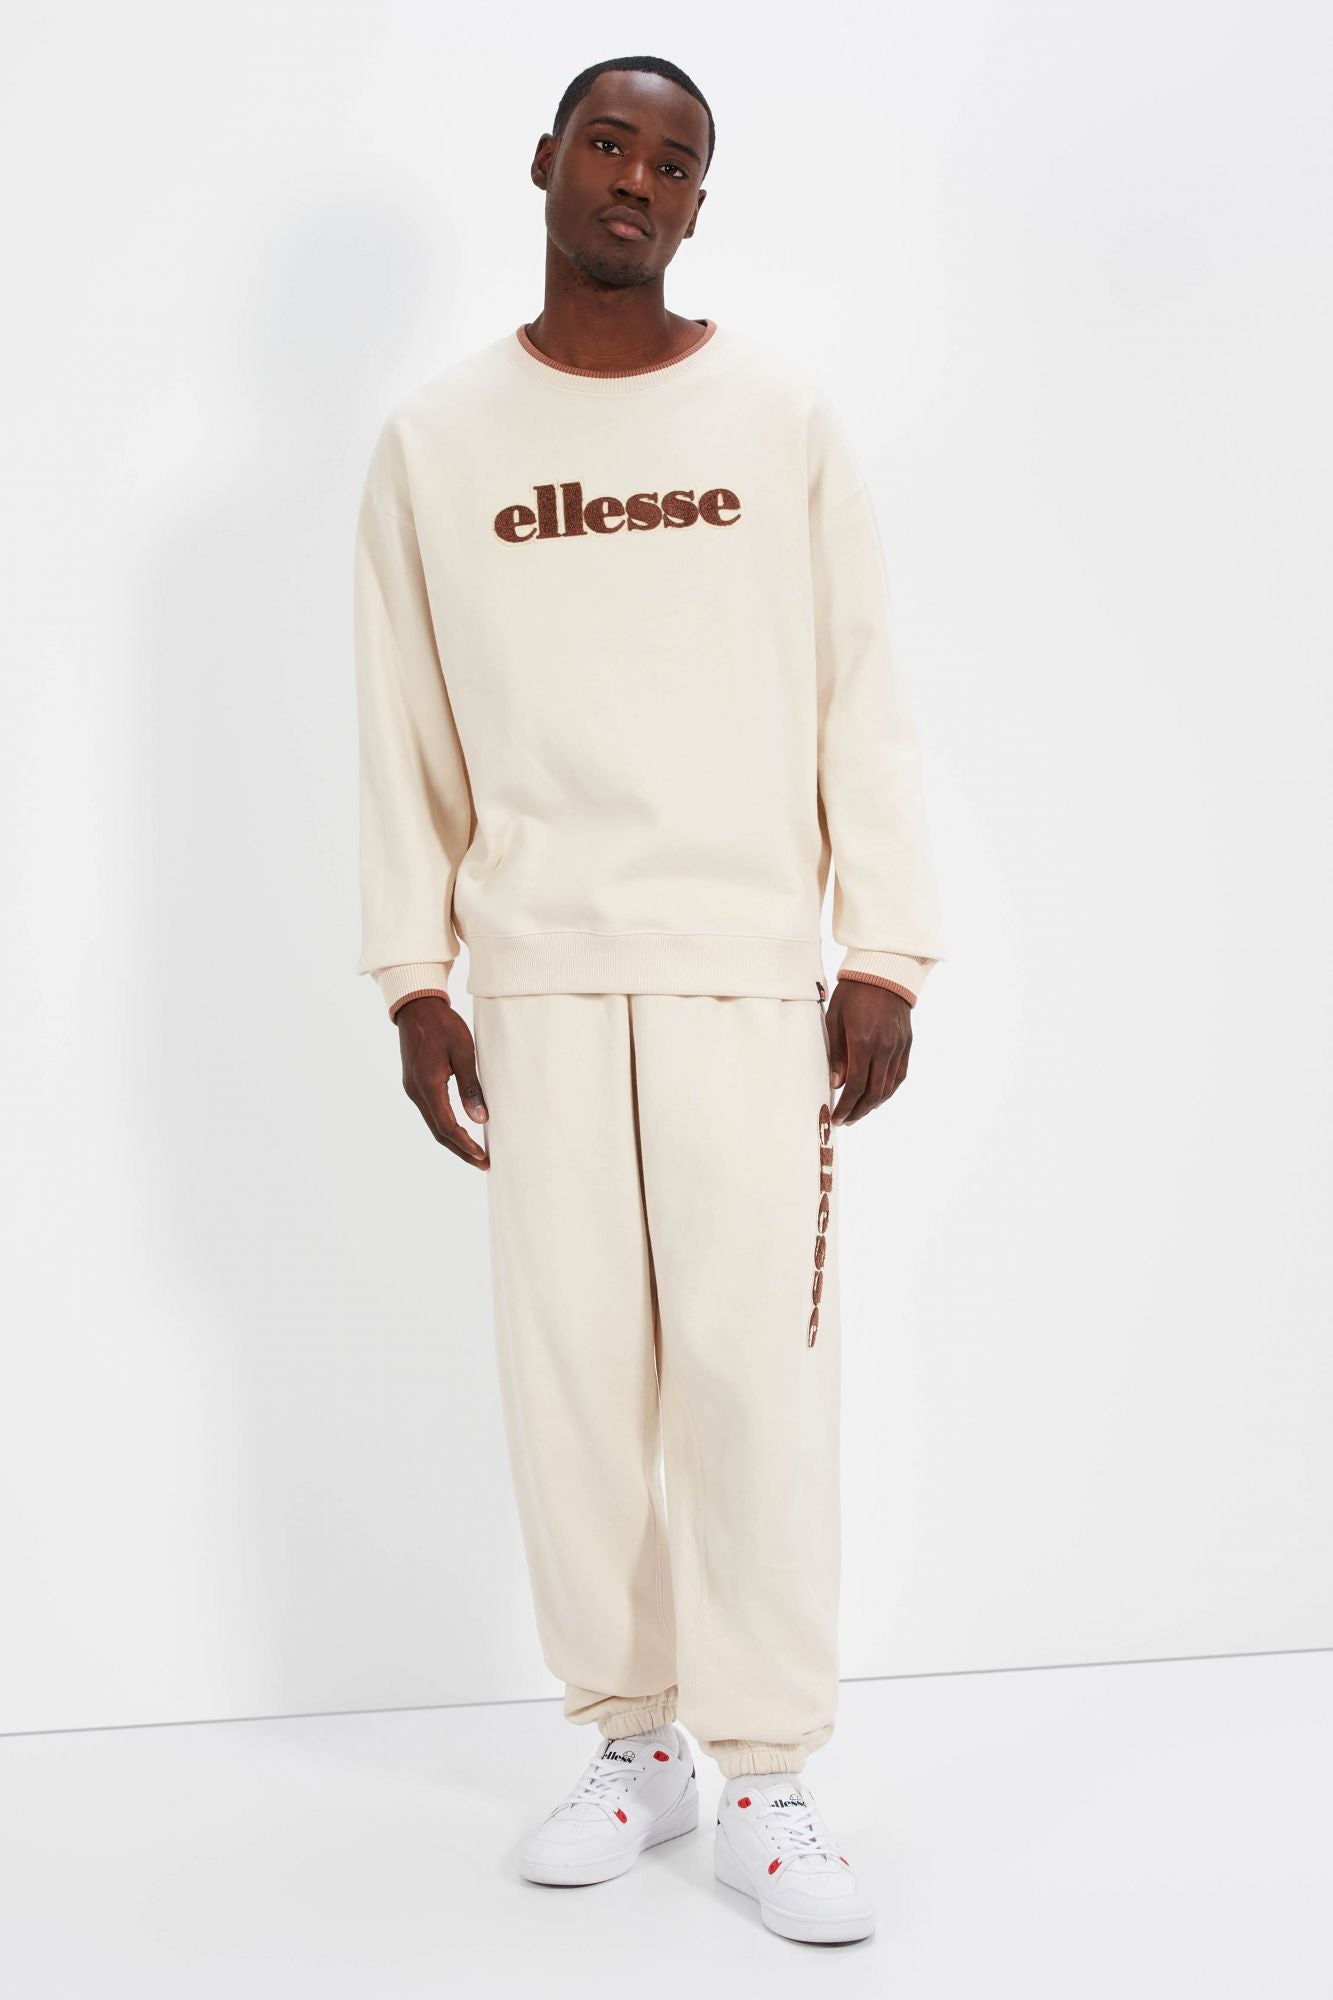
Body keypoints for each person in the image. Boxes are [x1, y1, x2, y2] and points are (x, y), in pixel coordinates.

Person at [352, 52, 947, 1947]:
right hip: (536, 977)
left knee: (751, 1388)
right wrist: (413, 976)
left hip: (741, 978)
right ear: (545, 160)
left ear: (698, 202)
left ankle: (764, 1769)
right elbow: (401, 722)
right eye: (607, 143)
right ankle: (632, 1743)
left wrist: (882, 949)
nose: (635, 178)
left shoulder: (775, 418)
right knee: (572, 1388)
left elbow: (860, 687)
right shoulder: (437, 442)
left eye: (673, 162)